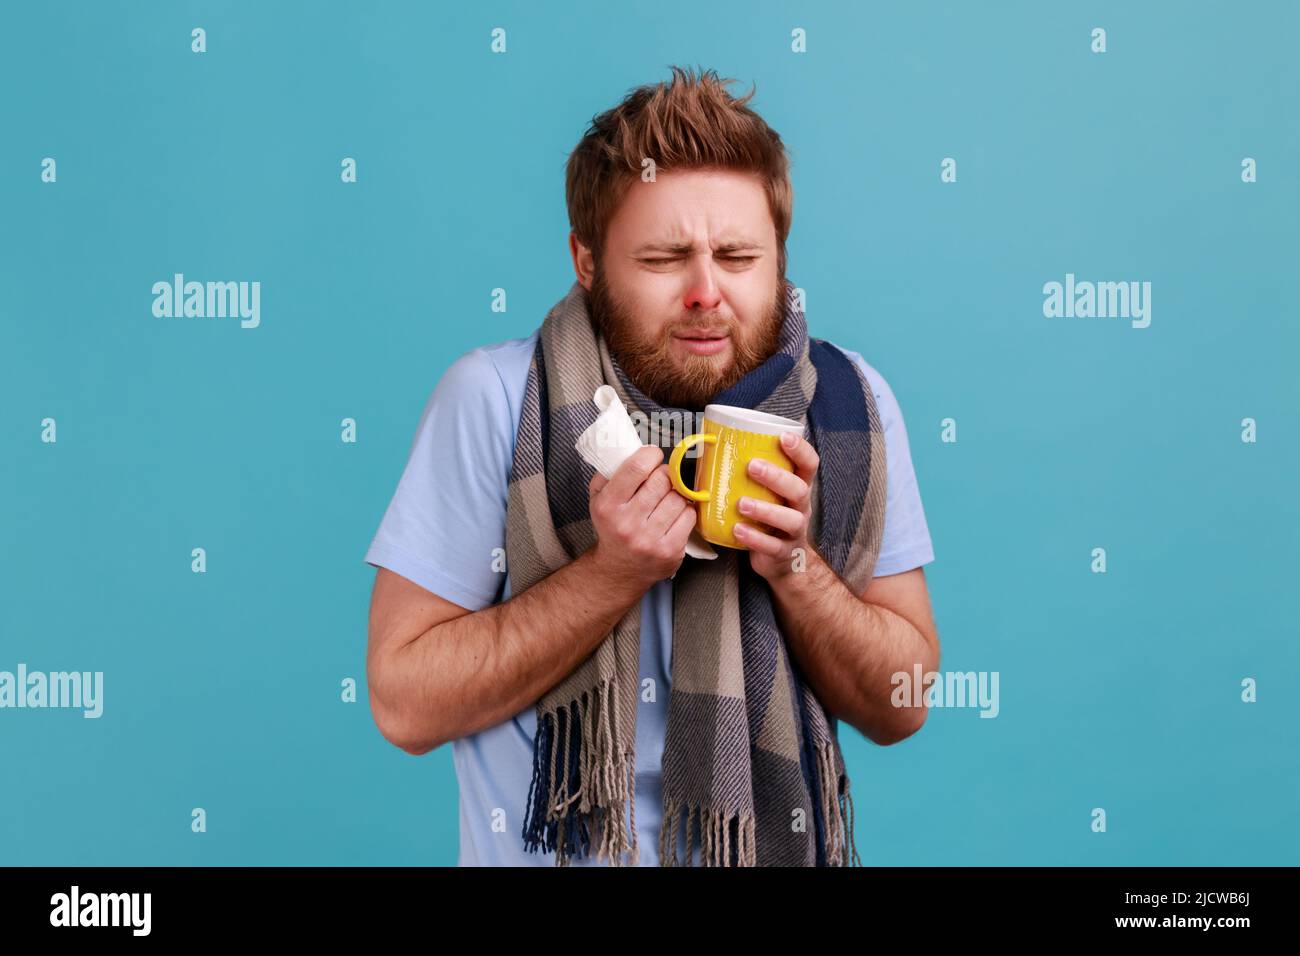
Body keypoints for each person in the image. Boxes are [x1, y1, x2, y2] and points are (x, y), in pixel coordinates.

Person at [363, 65, 939, 866]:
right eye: (666, 259)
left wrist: (795, 566)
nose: (707, 292)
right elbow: (401, 704)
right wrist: (610, 574)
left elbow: (903, 703)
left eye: (738, 256)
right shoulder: (495, 400)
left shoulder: (846, 408)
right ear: (587, 259)